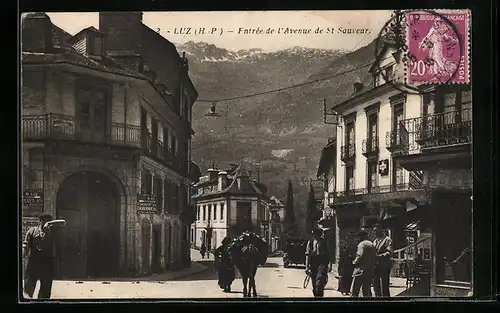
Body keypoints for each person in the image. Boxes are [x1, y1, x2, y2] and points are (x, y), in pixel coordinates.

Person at [22, 213, 59, 299]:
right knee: (28, 289)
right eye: (44, 221)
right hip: (33, 263)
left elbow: (63, 222)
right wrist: (22, 255)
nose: (46, 223)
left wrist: (49, 227)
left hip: (47, 264)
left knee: (45, 291)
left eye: (48, 221)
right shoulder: (32, 231)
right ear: (40, 221)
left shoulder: (53, 233)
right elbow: (26, 245)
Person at [305, 228, 332, 297]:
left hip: (322, 263)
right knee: (314, 284)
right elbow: (307, 255)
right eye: (314, 234)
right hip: (313, 263)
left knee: (319, 282)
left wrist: (330, 264)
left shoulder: (325, 242)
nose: (315, 236)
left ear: (320, 234)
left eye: (317, 234)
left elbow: (329, 253)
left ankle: (319, 297)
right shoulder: (310, 242)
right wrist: (307, 267)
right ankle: (316, 297)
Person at [351, 230, 376, 298]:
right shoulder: (372, 244)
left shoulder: (361, 244)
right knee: (367, 290)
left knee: (355, 289)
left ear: (361, 236)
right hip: (369, 269)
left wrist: (354, 262)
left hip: (360, 269)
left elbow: (359, 255)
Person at [372, 223, 393, 297]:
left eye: (376, 231)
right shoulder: (374, 241)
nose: (375, 232)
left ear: (381, 230)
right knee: (375, 284)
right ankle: (377, 299)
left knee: (384, 284)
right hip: (376, 265)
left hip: (384, 265)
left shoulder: (387, 240)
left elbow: (390, 252)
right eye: (374, 231)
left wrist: (380, 256)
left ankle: (386, 300)